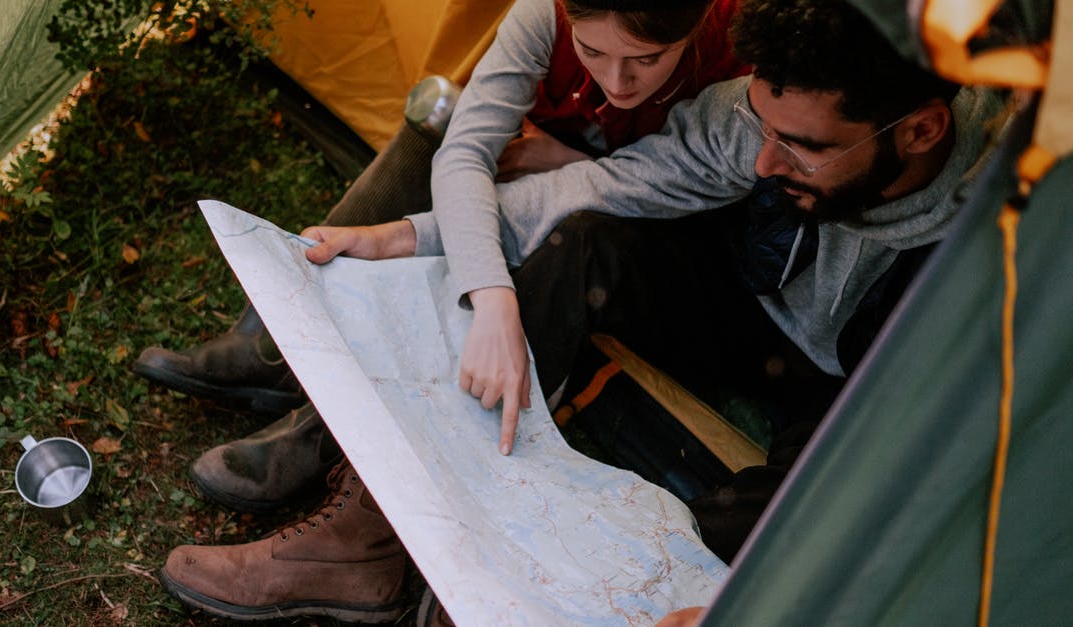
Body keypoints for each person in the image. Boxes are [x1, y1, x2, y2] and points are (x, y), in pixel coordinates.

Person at [159, 0, 1005, 622]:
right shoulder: (752, 124)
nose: (760, 158)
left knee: (791, 513)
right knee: (587, 239)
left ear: (922, 132)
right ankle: (370, 540)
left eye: (804, 147)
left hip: (867, 390)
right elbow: (596, 187)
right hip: (747, 314)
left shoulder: (1002, 240)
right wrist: (414, 236)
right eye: (761, 126)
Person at [150, 0, 746, 621]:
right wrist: (486, 294)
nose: (617, 82)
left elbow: (662, 195)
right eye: (593, 52)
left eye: (646, 60)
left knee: (553, 230)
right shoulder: (546, 13)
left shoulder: (739, 63)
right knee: (442, 118)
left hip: (629, 225)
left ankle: (350, 509)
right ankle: (288, 366)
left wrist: (559, 173)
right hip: (548, 189)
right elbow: (465, 156)